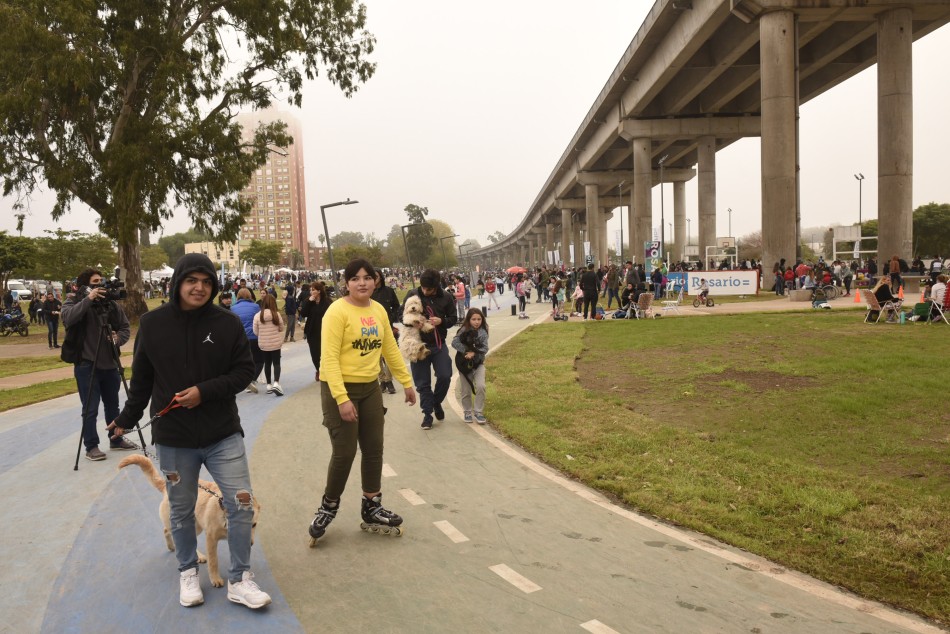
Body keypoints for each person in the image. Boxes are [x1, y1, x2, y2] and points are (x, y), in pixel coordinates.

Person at [108, 253, 271, 610]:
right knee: (181, 510)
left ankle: (240, 579)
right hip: (174, 437)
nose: (199, 288)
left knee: (242, 505)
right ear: (177, 283)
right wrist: (125, 418)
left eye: (207, 282)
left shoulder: (227, 323)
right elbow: (142, 379)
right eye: (192, 280)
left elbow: (244, 372)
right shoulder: (152, 324)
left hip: (222, 433)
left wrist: (204, 391)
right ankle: (187, 572)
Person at [308, 259, 416, 543]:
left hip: (370, 388)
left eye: (367, 277)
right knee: (344, 452)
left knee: (373, 448)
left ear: (375, 281)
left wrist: (406, 382)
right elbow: (329, 358)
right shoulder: (336, 311)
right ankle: (328, 506)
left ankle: (372, 505)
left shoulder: (378, 310)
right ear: (346, 283)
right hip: (339, 388)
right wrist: (342, 399)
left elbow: (389, 348)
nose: (362, 283)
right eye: (355, 278)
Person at [61, 268, 133, 461]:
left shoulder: (110, 304)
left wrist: (118, 339)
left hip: (110, 364)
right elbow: (68, 318)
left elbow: (125, 327)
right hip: (87, 365)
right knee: (90, 409)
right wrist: (89, 299)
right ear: (84, 286)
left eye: (101, 281)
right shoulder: (73, 301)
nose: (100, 284)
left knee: (113, 406)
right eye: (95, 282)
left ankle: (116, 439)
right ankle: (91, 446)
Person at [402, 268, 457, 429]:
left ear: (436, 286)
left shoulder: (446, 297)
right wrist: (412, 323)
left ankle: (436, 402)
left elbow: (453, 318)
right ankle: (427, 414)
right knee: (422, 384)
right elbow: (400, 314)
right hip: (417, 345)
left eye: (429, 289)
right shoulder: (413, 294)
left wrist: (442, 321)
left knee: (445, 375)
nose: (425, 292)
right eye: (423, 288)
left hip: (438, 344)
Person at [453, 308, 489, 424]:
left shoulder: (483, 331)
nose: (476, 322)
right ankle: (467, 412)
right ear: (469, 319)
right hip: (464, 365)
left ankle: (478, 412)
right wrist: (466, 351)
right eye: (474, 319)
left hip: (478, 364)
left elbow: (485, 348)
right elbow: (454, 343)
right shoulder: (463, 329)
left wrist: (474, 352)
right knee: (466, 390)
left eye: (479, 319)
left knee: (481, 386)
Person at [371, 270, 401, 394]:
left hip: (387, 326)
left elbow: (397, 306)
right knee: (376, 356)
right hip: (372, 328)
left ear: (381, 277)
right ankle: (382, 380)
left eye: (376, 276)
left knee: (388, 356)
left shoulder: (388, 291)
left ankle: (389, 380)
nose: (374, 279)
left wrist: (391, 317)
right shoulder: (368, 292)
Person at [231, 288, 264, 393]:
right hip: (254, 336)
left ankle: (245, 381)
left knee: (243, 362)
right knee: (259, 360)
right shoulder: (255, 306)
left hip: (240, 338)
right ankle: (252, 380)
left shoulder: (233, 308)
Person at [299, 281, 332, 382]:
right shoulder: (309, 301)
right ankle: (318, 370)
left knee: (325, 353)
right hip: (312, 331)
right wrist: (309, 302)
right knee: (315, 353)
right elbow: (303, 313)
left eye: (313, 290)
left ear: (319, 291)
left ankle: (326, 371)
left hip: (325, 331)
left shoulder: (327, 301)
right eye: (310, 290)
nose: (311, 292)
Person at [253, 294, 284, 396]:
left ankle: (269, 385)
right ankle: (276, 383)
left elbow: (255, 331)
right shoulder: (276, 315)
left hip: (264, 343)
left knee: (267, 363)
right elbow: (281, 328)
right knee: (276, 363)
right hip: (275, 343)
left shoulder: (258, 316)